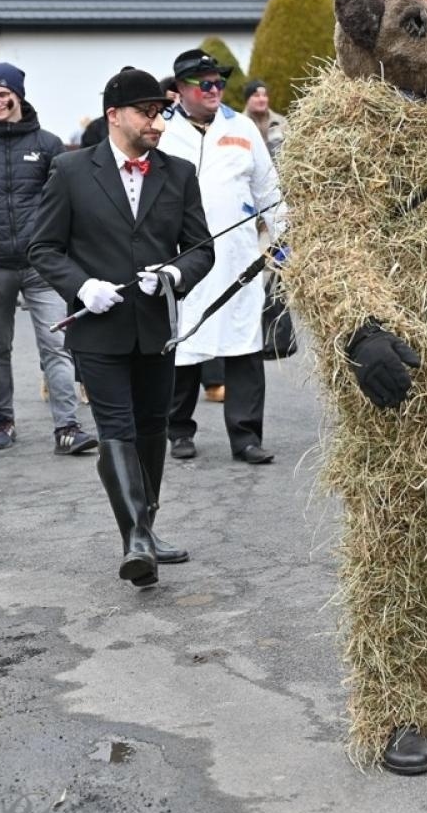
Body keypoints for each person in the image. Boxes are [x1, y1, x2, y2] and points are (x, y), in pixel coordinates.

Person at [29, 67, 214, 586]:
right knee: (117, 429)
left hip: (155, 327)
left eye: (161, 112)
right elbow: (43, 247)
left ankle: (146, 529)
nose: (156, 122)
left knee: (153, 428)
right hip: (98, 329)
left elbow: (202, 251)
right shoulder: (70, 171)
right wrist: (82, 286)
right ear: (114, 115)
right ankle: (134, 537)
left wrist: (173, 274)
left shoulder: (178, 173)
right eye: (146, 112)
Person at [0, 62, 96, 455]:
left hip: (42, 267)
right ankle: (3, 421)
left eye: (3, 94)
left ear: (18, 95)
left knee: (57, 345)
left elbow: (65, 204)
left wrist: (61, 255)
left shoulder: (47, 145)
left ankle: (67, 428)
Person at [161, 49, 284, 464]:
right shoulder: (162, 130)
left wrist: (284, 241)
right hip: (182, 257)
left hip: (238, 258)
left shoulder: (242, 127)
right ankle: (178, 429)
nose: (215, 90)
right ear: (180, 90)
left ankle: (246, 437)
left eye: (218, 83)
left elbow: (269, 190)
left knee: (244, 345)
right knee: (184, 345)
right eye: (205, 84)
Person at [240, 79, 287, 159]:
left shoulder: (281, 122)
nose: (262, 99)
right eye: (256, 95)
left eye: (264, 95)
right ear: (247, 100)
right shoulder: (239, 124)